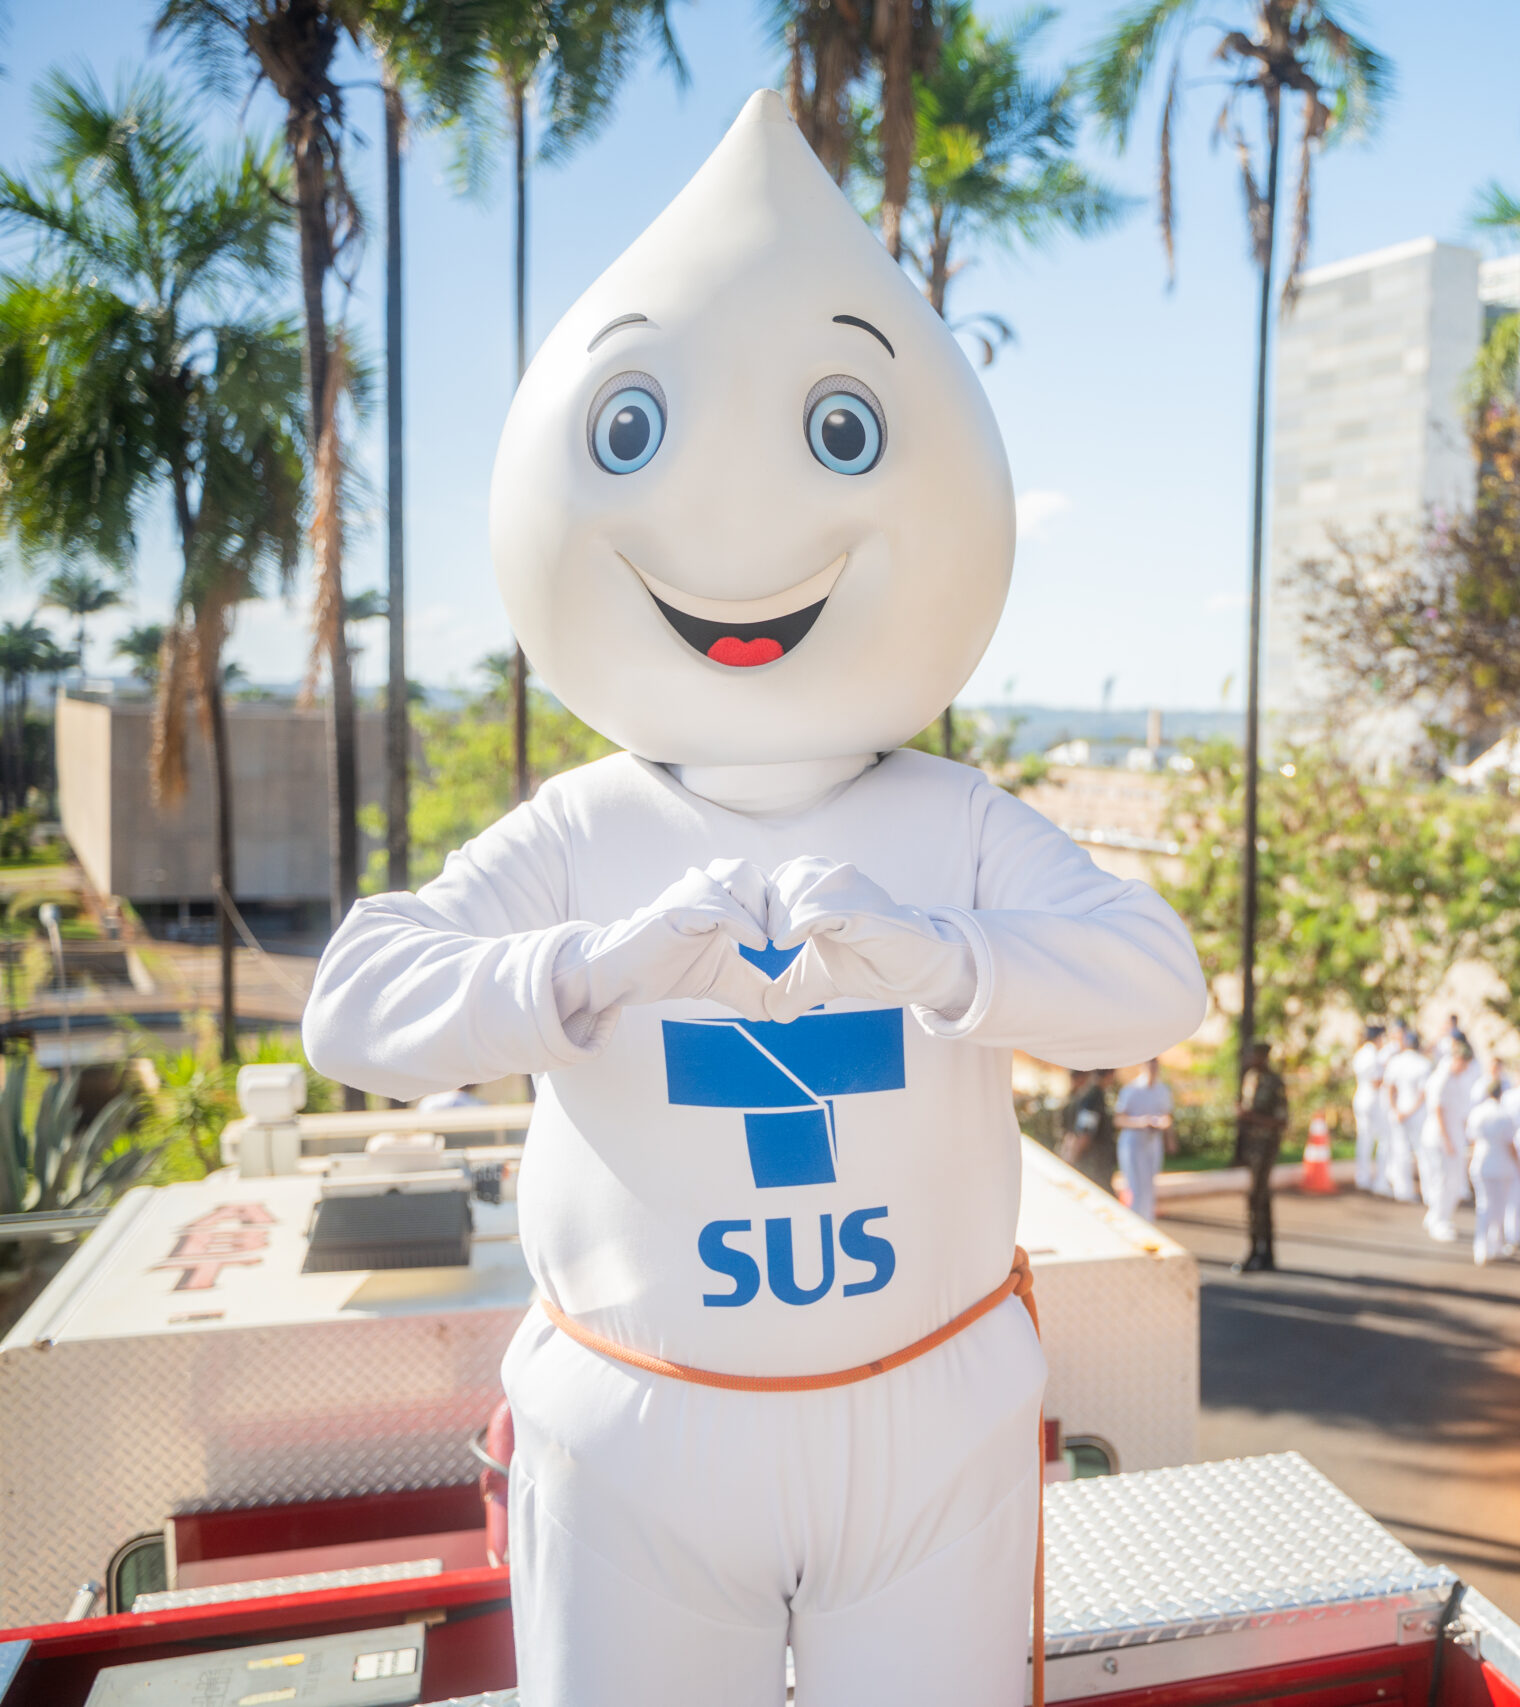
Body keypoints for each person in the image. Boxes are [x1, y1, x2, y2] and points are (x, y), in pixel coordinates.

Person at [304, 93, 1211, 1707]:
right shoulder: (580, 823)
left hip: (931, 1412)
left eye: (843, 435)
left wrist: (943, 953)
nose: (741, 539)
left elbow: (1153, 984)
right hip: (641, 1422)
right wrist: (586, 965)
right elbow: (363, 1010)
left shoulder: (958, 818)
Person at [1420, 1036, 1483, 1242]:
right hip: (1440, 1136)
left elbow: (1462, 1111)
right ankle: (1438, 1220)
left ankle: (1437, 1216)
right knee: (1442, 1180)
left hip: (1452, 1135)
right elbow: (1437, 1109)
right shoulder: (1443, 1077)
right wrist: (1447, 1140)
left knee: (1453, 1181)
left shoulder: (1458, 1078)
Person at [1233, 1041, 1288, 1273]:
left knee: (1258, 1198)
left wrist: (1250, 1116)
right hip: (1251, 1149)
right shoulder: (1250, 1078)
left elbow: (1281, 1121)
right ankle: (1260, 1251)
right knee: (1257, 1199)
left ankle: (1261, 1253)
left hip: (1266, 1148)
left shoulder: (1274, 1082)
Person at [1467, 1064, 1520, 1265]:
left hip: (1481, 1162)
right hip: (1501, 1165)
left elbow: (1472, 1138)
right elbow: (1511, 1145)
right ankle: (1495, 1245)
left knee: (1484, 1205)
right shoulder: (1504, 1114)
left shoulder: (1477, 1112)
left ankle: (1481, 1248)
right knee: (1499, 1207)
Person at [1113, 1057, 1175, 1222]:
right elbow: (1119, 1119)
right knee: (1134, 1186)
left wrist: (1168, 1135)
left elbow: (1167, 1116)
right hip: (1133, 1142)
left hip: (1152, 1142)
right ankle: (1134, 1221)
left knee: (1148, 1187)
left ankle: (1147, 1221)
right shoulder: (1131, 1090)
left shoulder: (1162, 1090)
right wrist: (1140, 1122)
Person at [1382, 1025, 1433, 1204]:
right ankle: (1428, 1193)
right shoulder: (1423, 1063)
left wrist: (1396, 1109)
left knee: (1401, 1152)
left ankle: (1403, 1191)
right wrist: (1409, 1111)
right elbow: (1423, 1093)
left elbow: (1389, 1088)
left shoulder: (1397, 1062)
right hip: (1416, 1112)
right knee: (1422, 1153)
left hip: (1401, 1110)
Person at [1063, 1067, 1117, 1191]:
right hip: (1093, 1167)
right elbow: (1085, 1133)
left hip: (1098, 1165)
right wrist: (1071, 1160)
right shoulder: (1093, 1097)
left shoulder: (1095, 1095)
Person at [1350, 1023, 1389, 1194]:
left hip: (1361, 1096)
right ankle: (1381, 1180)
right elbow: (1376, 1081)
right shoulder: (1373, 1054)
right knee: (1383, 1139)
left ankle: (1363, 1177)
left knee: (1364, 1139)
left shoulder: (1361, 1053)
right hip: (1373, 1098)